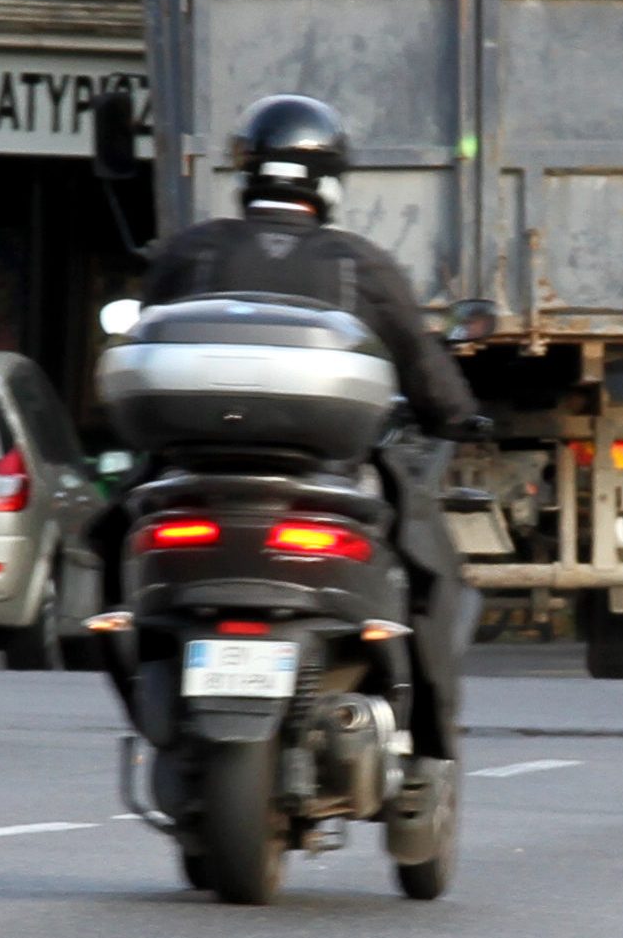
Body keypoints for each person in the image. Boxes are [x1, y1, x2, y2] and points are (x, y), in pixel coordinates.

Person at [134, 94, 487, 763]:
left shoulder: (192, 252)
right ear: (329, 181)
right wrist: (461, 417)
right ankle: (430, 752)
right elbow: (426, 372)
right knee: (433, 575)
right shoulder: (361, 263)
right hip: (327, 482)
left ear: (246, 174)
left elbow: (146, 345)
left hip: (193, 479)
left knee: (103, 536)